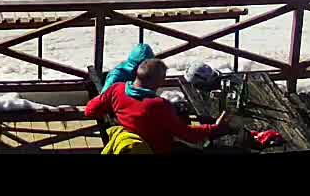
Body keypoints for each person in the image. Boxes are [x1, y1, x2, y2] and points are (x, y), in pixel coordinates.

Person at [85, 53, 236, 154]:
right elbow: (187, 134)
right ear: (156, 81)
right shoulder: (158, 105)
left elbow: (90, 110)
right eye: (162, 78)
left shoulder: (116, 89)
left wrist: (117, 117)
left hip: (125, 143)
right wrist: (214, 127)